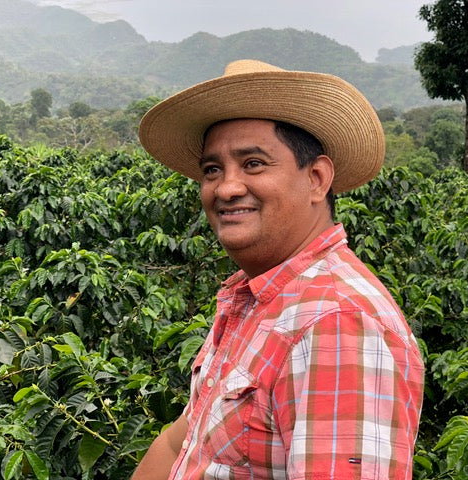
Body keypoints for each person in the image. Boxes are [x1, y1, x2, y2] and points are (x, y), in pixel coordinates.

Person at [132, 59, 424, 480]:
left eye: (253, 163)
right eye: (213, 170)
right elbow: (181, 443)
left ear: (317, 178)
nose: (227, 188)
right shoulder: (259, 298)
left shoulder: (336, 323)